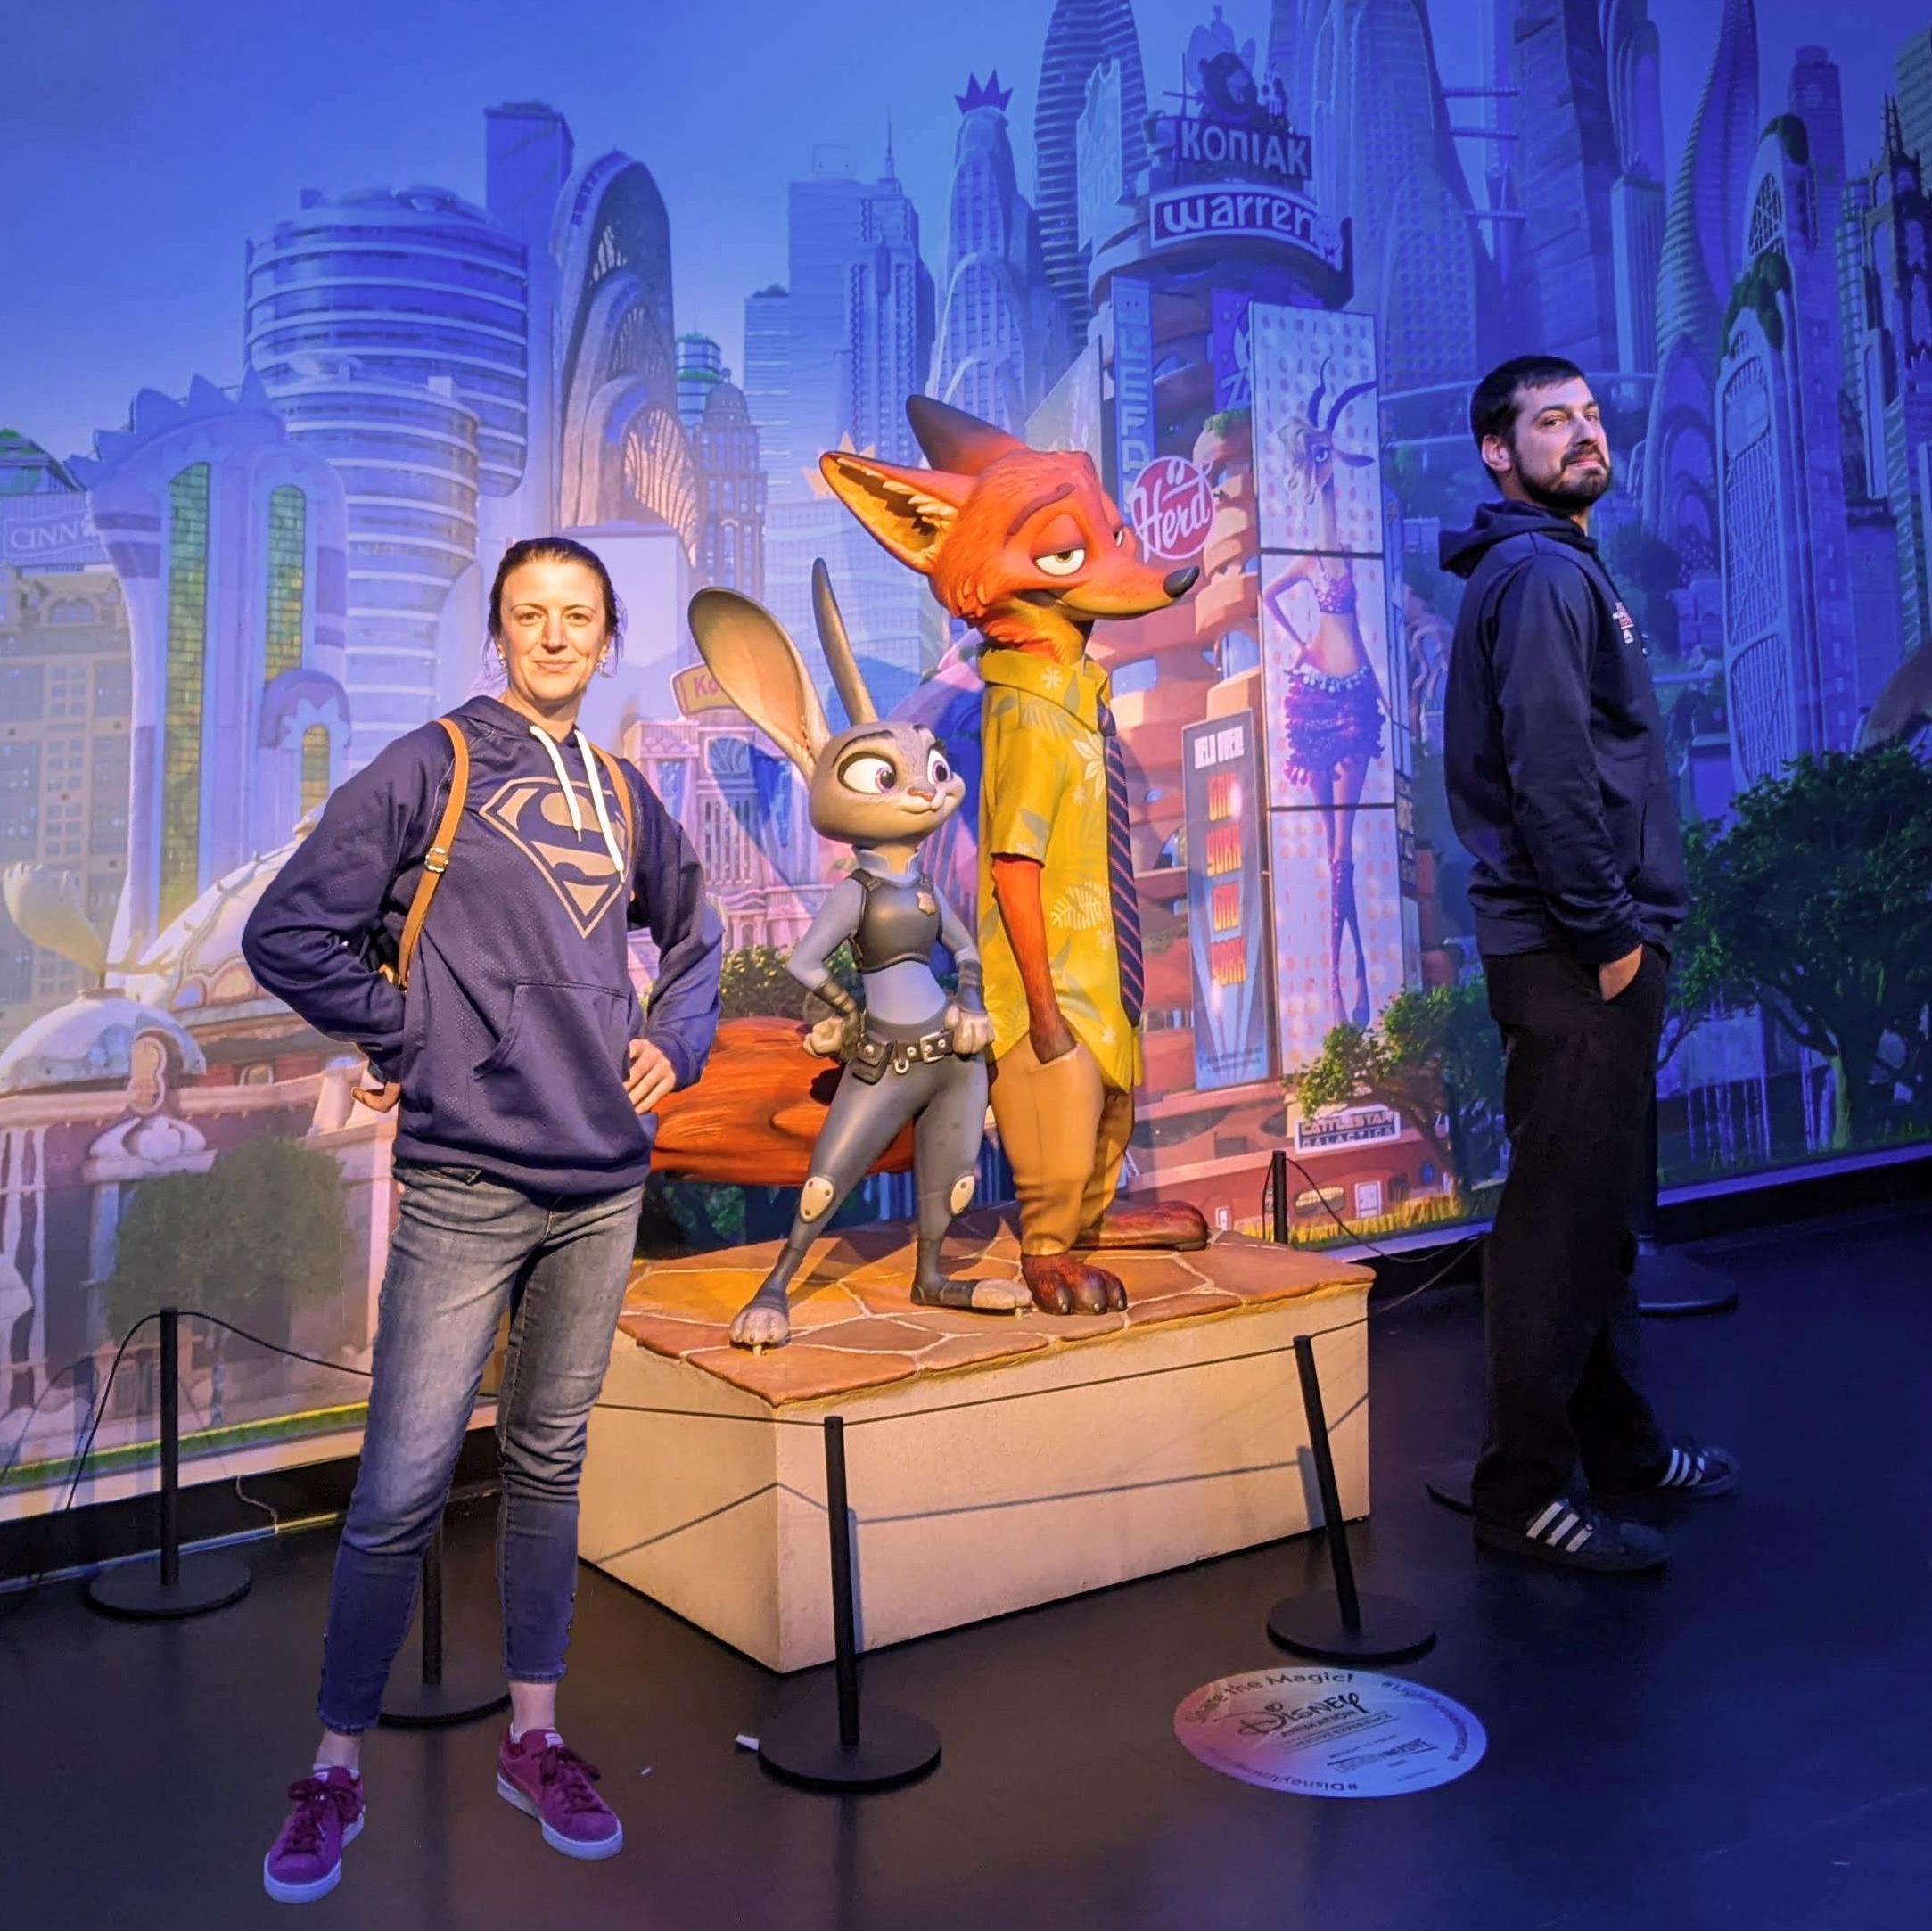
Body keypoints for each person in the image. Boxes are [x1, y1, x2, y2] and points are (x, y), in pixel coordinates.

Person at [242, 536, 722, 1901]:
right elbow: (287, 929)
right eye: (530, 613)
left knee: (548, 1466)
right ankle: (335, 1767)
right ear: (499, 633)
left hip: (602, 1183)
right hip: (466, 1180)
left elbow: (698, 935)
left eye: (578, 615)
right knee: (399, 1487)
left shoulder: (623, 792)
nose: (555, 634)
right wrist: (413, 1034)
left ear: (607, 638)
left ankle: (536, 1740)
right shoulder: (435, 763)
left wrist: (677, 1041)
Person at [1440, 357, 1737, 1574]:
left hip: (1587, 945)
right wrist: (1610, 937)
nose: (1584, 433)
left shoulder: (1558, 566)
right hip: (1575, 953)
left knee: (1598, 1218)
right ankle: (1519, 1492)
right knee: (1558, 1231)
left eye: (1591, 416)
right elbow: (1552, 769)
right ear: (1497, 451)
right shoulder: (1541, 575)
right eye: (1551, 420)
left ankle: (1621, 1453)